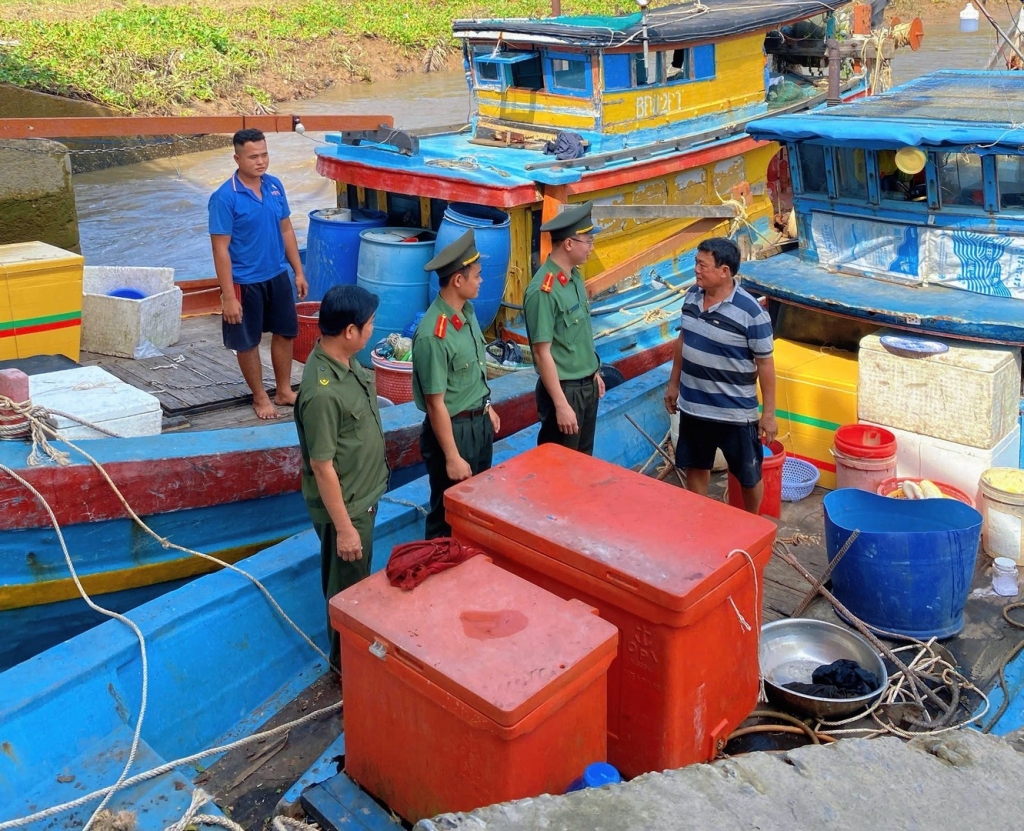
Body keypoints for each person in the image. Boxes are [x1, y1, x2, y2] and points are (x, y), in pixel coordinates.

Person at [293, 284, 389, 669]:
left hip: (364, 495)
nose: (373, 331)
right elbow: (322, 465)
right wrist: (346, 529)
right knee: (347, 590)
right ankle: (345, 670)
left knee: (357, 583)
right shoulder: (321, 392)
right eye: (369, 325)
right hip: (347, 508)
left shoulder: (348, 364)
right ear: (350, 331)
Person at [663, 237, 777, 514]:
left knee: (748, 475)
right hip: (694, 406)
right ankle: (700, 518)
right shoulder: (691, 296)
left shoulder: (752, 313)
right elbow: (683, 340)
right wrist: (674, 383)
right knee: (696, 465)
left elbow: (765, 364)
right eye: (696, 263)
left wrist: (769, 415)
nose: (696, 270)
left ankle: (751, 523)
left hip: (735, 413)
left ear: (724, 271)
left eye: (703, 265)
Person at [209, 128, 308, 420]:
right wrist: (228, 296)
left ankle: (283, 390)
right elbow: (220, 250)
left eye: (264, 154)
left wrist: (298, 272)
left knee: (286, 332)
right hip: (244, 282)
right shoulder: (224, 198)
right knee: (247, 341)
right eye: (253, 156)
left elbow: (286, 229)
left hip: (276, 274)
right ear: (237, 158)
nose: (260, 161)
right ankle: (260, 396)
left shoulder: (274, 186)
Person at [412, 229, 500, 539]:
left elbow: (473, 373)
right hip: (453, 430)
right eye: (476, 275)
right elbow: (436, 404)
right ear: (458, 281)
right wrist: (451, 456)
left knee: (478, 503)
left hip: (478, 424)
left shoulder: (468, 312)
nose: (481, 281)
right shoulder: (434, 335)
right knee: (446, 513)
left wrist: (486, 407)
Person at [523, 200, 605, 455]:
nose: (591, 247)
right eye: (588, 241)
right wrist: (560, 404)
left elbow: (578, 336)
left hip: (585, 386)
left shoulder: (574, 277)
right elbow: (541, 352)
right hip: (565, 391)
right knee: (560, 469)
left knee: (583, 462)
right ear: (569, 243)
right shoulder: (543, 290)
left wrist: (592, 372)